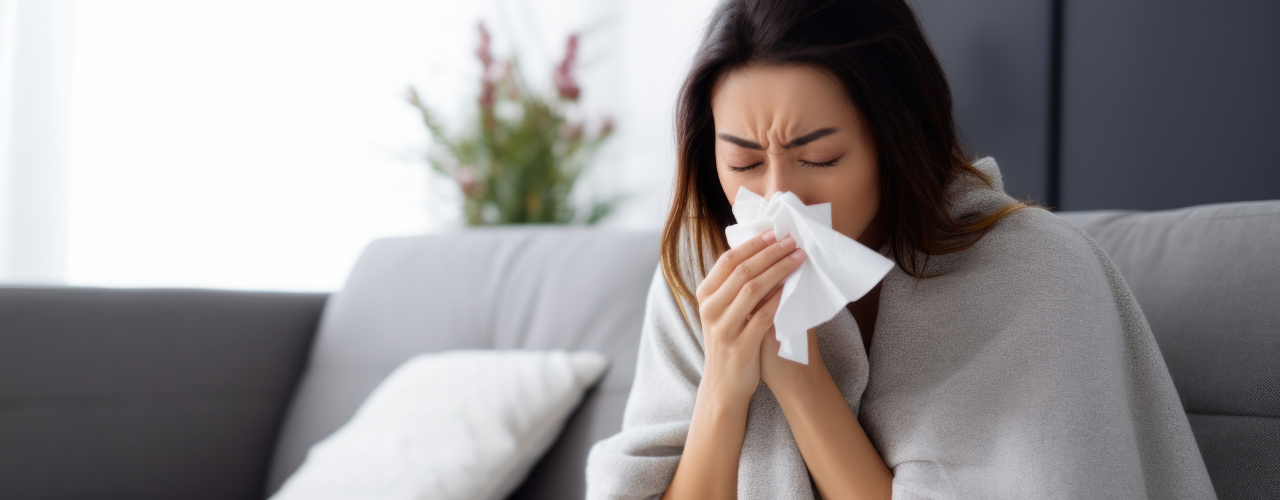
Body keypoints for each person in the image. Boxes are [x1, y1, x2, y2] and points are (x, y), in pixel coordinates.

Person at [585, 0, 1216, 498]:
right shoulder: (703, 271)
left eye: (819, 157)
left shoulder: (1036, 275)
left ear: (896, 140)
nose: (780, 197)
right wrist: (724, 385)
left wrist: (797, 374)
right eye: (744, 162)